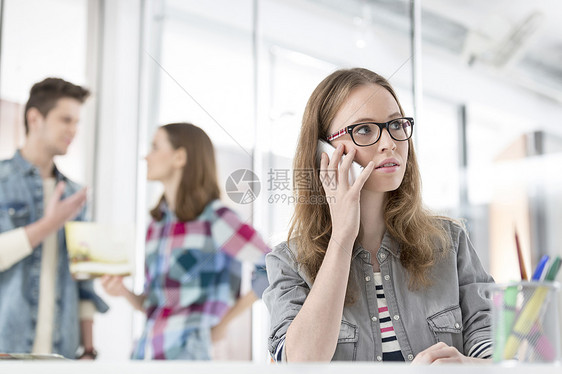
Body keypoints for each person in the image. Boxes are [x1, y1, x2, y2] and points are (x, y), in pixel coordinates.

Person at [263, 68, 494, 364]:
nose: (390, 143)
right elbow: (301, 364)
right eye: (364, 130)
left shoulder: (450, 243)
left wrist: (470, 366)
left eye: (396, 124)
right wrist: (343, 236)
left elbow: (497, 348)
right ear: (324, 152)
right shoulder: (288, 263)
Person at [101, 122, 270, 360]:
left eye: (155, 147)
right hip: (147, 354)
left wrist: (222, 324)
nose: (146, 156)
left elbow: (273, 268)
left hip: (192, 356)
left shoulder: (217, 218)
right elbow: (156, 304)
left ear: (179, 157)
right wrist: (124, 292)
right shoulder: (157, 224)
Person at [0, 77, 108, 359]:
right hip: (5, 349)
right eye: (66, 120)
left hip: (62, 352)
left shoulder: (74, 195)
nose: (73, 130)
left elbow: (83, 275)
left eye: (77, 123)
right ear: (35, 118)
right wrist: (49, 224)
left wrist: (89, 349)